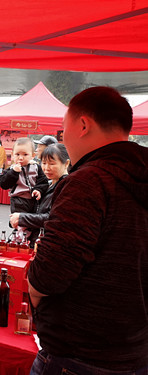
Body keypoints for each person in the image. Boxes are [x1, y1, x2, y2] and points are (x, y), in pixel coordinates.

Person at [28, 87, 148, 374]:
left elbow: (50, 274)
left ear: (83, 125)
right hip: (134, 350)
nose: (62, 137)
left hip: (79, 355)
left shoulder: (89, 180)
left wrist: (34, 290)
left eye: (63, 127)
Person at [9, 143, 69, 246]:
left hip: (49, 243)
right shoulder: (47, 184)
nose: (46, 168)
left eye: (52, 164)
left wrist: (22, 218)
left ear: (66, 164)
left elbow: (54, 218)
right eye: (44, 163)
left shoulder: (67, 187)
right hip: (35, 239)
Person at [0, 137, 48, 216]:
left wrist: (38, 190)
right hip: (18, 200)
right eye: (17, 154)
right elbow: (3, 183)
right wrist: (14, 172)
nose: (21, 158)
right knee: (20, 221)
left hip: (34, 200)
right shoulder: (11, 169)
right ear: (12, 155)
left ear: (32, 155)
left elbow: (44, 182)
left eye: (25, 154)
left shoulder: (36, 168)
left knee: (32, 220)